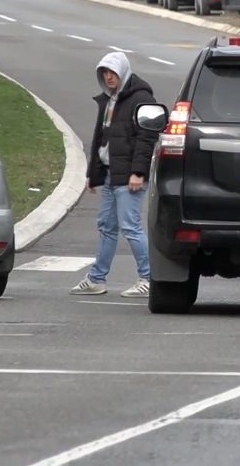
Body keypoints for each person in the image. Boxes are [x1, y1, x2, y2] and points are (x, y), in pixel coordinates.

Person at [70, 52, 158, 298]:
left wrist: (138, 172)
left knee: (130, 226)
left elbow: (147, 137)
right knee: (107, 227)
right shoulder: (109, 99)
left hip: (129, 176)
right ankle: (97, 278)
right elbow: (101, 137)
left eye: (113, 73)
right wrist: (93, 174)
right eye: (104, 73)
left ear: (123, 72)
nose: (109, 78)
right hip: (110, 173)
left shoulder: (142, 98)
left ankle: (150, 277)